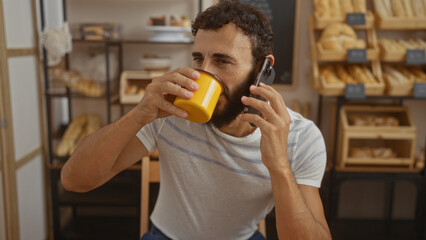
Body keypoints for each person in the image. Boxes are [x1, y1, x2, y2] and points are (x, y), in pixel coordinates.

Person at [61, 1, 331, 239]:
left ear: (262, 69)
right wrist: (138, 115)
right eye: (199, 59)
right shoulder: (170, 112)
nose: (205, 73)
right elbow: (75, 181)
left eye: (222, 61)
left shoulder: (299, 138)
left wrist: (279, 166)